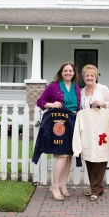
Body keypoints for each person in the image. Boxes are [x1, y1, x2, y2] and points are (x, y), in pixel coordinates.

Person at [72, 64, 109, 201]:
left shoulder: (102, 89)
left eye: (92, 75)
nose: (89, 78)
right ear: (83, 77)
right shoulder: (81, 92)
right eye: (87, 75)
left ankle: (94, 189)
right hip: (87, 129)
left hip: (101, 128)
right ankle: (98, 187)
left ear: (96, 76)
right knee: (89, 156)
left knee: (100, 157)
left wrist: (102, 103)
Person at [36, 62, 81, 201]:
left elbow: (79, 106)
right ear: (61, 72)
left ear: (74, 73)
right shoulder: (53, 86)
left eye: (71, 71)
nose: (68, 73)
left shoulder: (76, 87)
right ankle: (54, 186)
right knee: (61, 155)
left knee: (68, 156)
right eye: (65, 70)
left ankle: (63, 185)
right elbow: (40, 101)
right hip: (59, 123)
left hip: (73, 122)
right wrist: (51, 104)